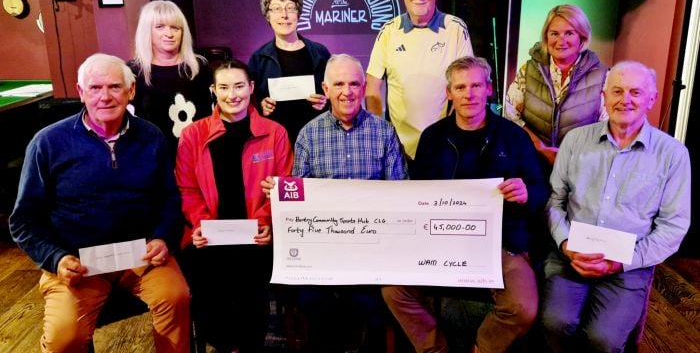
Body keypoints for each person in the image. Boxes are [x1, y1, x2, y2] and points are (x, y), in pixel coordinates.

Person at [9, 53, 190, 352]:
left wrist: (162, 238)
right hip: (77, 262)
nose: (105, 97)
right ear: (81, 93)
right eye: (94, 88)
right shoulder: (47, 143)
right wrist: (56, 259)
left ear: (130, 91)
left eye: (114, 87)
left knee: (177, 297)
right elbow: (23, 220)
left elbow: (169, 198)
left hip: (141, 255)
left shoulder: (151, 136)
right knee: (64, 339)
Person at [382, 56, 548, 353]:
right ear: (449, 93)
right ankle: (436, 349)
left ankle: (481, 348)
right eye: (460, 87)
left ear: (488, 90)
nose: (468, 94)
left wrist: (526, 194)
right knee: (393, 291)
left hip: (501, 239)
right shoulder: (432, 138)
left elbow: (539, 193)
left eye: (475, 85)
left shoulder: (513, 137)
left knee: (522, 308)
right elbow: (417, 194)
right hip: (440, 236)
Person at [542, 61, 691, 352]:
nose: (625, 100)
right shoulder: (575, 141)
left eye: (636, 92)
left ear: (652, 98)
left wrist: (622, 261)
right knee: (554, 322)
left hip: (628, 265)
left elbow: (673, 226)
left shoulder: (673, 154)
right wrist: (566, 244)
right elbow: (554, 201)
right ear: (604, 96)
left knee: (605, 340)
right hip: (570, 256)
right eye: (617, 91)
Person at [264, 54, 408, 352]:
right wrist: (280, 195)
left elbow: (400, 196)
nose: (347, 91)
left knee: (374, 301)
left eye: (354, 83)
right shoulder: (308, 135)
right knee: (313, 301)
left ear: (364, 86)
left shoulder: (384, 133)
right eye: (339, 84)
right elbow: (298, 203)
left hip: (374, 246)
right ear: (326, 89)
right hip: (323, 249)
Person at [175, 59, 293, 351]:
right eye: (224, 87)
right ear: (213, 90)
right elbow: (187, 189)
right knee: (208, 284)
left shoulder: (275, 132)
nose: (233, 95)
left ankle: (248, 344)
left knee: (251, 286)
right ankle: (223, 344)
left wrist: (267, 222)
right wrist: (202, 225)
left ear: (251, 88)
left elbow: (285, 184)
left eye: (239, 86)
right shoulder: (193, 135)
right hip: (207, 236)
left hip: (257, 236)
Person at [366, 0, 474, 161]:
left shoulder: (456, 29)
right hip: (398, 148)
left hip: (446, 145)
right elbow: (372, 89)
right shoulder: (388, 32)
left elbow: (465, 84)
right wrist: (379, 136)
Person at [504, 4, 607, 169]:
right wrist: (541, 148)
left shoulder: (602, 75)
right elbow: (510, 116)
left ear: (582, 36)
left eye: (569, 33)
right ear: (546, 37)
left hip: (580, 166)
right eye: (554, 33)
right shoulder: (528, 69)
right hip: (533, 162)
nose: (561, 41)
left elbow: (607, 126)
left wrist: (570, 155)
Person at [249, 0, 331, 144]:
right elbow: (248, 105)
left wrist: (326, 101)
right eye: (277, 9)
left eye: (290, 8)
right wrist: (260, 107)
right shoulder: (258, 59)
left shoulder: (320, 53)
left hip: (317, 140)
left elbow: (336, 95)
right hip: (275, 143)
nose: (284, 15)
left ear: (298, 12)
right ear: (267, 14)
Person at [129, 0, 213, 154]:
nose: (169, 34)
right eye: (160, 27)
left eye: (175, 27)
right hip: (152, 158)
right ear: (147, 31)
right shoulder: (132, 72)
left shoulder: (199, 67)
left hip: (197, 154)